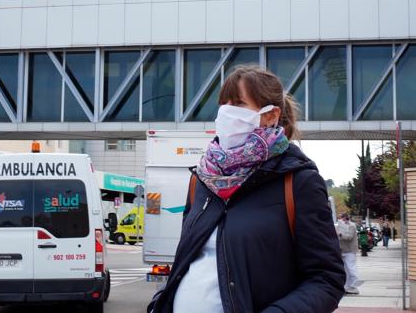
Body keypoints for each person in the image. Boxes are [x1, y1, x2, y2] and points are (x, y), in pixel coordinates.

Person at [147, 67, 345, 313]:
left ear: (270, 115)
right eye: (224, 103)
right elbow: (188, 261)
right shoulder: (203, 179)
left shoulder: (298, 182)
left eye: (238, 103)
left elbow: (327, 279)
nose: (226, 112)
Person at [336, 213, 359, 294]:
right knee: (346, 270)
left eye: (342, 219)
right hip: (343, 250)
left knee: (351, 269)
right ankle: (347, 287)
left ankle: (353, 286)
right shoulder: (340, 226)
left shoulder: (352, 226)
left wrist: (339, 234)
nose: (341, 221)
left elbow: (348, 237)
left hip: (350, 251)